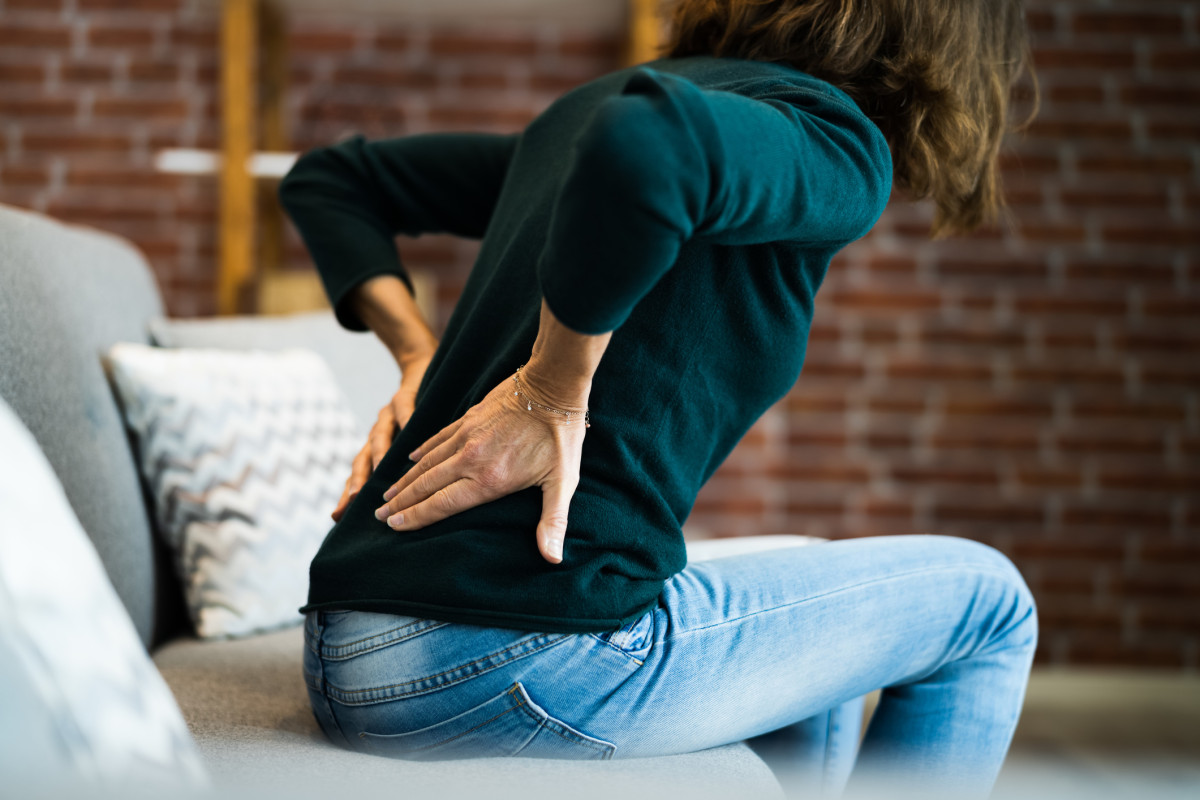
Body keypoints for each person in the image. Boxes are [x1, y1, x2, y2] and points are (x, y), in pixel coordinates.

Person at [278, 1, 1039, 797]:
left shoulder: (588, 108)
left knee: (820, 594)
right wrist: (549, 388)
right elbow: (650, 146)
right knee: (990, 601)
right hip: (501, 659)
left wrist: (417, 358)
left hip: (346, 641)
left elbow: (334, 179)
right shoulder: (833, 138)